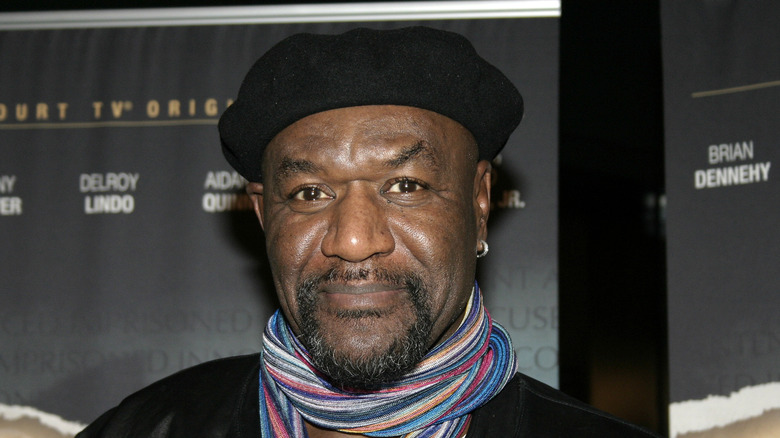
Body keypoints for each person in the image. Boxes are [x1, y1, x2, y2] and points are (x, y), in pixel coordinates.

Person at [77, 26, 661, 438]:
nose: (354, 241)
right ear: (262, 216)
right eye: (310, 194)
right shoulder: (145, 428)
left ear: (480, 202)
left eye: (405, 186)